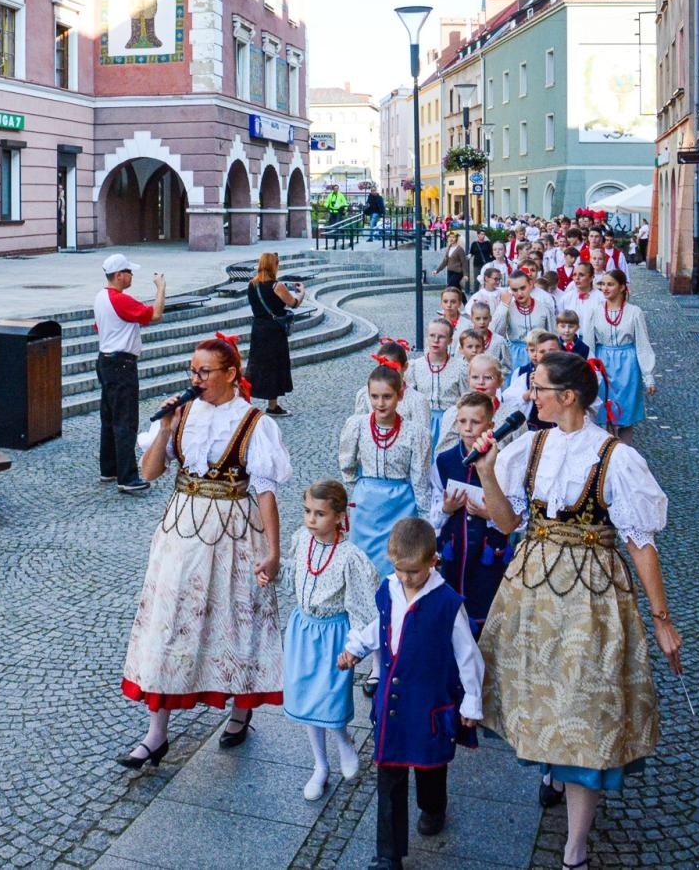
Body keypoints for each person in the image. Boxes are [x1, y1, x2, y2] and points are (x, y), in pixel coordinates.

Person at [476, 352, 683, 870]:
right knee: (544, 700)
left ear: (568, 397)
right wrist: (486, 473)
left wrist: (662, 620)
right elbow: (505, 525)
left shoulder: (613, 458)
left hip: (590, 600)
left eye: (539, 389)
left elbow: (640, 546)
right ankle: (554, 780)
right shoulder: (529, 447)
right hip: (533, 594)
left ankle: (574, 846)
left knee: (584, 711)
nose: (531, 397)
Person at [118, 336, 291, 767]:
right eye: (192, 371)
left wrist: (273, 551)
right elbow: (149, 471)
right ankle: (156, 734)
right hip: (182, 528)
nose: (195, 380)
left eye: (204, 372)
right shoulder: (185, 414)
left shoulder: (254, 422)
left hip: (235, 528)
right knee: (170, 618)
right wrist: (165, 429)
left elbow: (266, 492)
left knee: (238, 615)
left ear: (231, 374)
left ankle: (241, 708)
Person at [338, 517, 484, 870]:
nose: (405, 578)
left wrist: (471, 701)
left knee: (429, 765)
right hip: (393, 705)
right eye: (399, 570)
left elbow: (468, 655)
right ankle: (388, 855)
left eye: (413, 572)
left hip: (430, 703)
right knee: (390, 773)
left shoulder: (447, 603)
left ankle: (434, 807)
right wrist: (356, 647)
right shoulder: (390, 589)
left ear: (433, 561)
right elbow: (381, 625)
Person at [284, 479, 378, 801]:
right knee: (309, 696)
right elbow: (292, 576)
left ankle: (343, 741)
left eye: (320, 513)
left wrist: (354, 645)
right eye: (307, 511)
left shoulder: (350, 556)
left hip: (333, 633)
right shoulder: (300, 540)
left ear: (339, 516)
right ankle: (320, 765)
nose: (311, 519)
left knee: (330, 697)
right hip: (303, 628)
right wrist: (271, 569)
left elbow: (364, 606)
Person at [428, 392, 511, 635]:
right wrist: (446, 508)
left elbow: (516, 518)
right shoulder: (444, 461)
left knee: (486, 610)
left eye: (475, 422)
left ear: (490, 425)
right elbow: (433, 512)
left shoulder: (503, 461)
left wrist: (490, 514)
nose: (468, 428)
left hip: (488, 554)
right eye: (463, 422)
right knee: (452, 612)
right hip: (454, 551)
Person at [340, 363, 433, 577]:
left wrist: (425, 518)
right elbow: (347, 463)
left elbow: (420, 478)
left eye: (387, 397)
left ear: (400, 395)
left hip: (400, 503)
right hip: (366, 504)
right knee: (363, 562)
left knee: (398, 558)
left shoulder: (415, 433)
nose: (380, 403)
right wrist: (360, 489)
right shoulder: (358, 425)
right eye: (374, 396)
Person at [96, 253, 166, 494]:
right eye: (129, 272)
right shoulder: (120, 300)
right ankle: (127, 477)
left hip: (105, 360)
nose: (132, 276)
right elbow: (155, 315)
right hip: (122, 364)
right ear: (119, 275)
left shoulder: (100, 297)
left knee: (109, 417)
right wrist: (160, 288)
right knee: (125, 420)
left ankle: (109, 468)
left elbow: (99, 326)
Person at [586, 269, 657, 447]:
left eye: (610, 284)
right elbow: (589, 344)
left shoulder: (634, 312)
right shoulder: (594, 311)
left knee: (626, 415)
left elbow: (642, 344)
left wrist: (648, 376)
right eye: (603, 284)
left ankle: (626, 454)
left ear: (622, 287)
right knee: (604, 413)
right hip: (603, 364)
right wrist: (591, 372)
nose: (605, 288)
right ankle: (607, 455)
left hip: (628, 366)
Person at [246, 252, 303, 417]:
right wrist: (301, 292)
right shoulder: (277, 286)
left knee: (256, 364)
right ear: (274, 266)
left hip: (258, 328)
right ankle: (272, 406)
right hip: (274, 330)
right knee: (275, 366)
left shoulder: (252, 284)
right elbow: (294, 303)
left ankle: (245, 400)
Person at [405, 317, 458, 450]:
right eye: (432, 336)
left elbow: (466, 397)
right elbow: (410, 397)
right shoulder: (415, 366)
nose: (435, 340)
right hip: (422, 419)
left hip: (450, 421)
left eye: (441, 337)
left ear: (450, 340)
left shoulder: (460, 367)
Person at [492, 271, 557, 376]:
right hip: (515, 355)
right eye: (514, 290)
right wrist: (503, 306)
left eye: (523, 288)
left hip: (540, 353)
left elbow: (553, 335)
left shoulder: (544, 308)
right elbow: (496, 333)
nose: (519, 293)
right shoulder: (507, 308)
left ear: (530, 285)